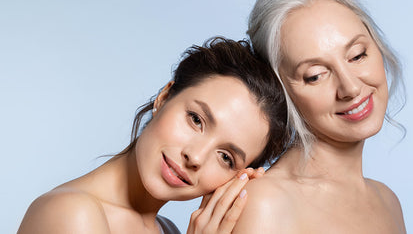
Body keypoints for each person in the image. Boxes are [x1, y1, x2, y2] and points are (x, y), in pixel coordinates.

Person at [18, 37, 289, 234]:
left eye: (225, 157)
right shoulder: (71, 213)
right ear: (164, 97)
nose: (194, 156)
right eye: (196, 120)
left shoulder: (167, 229)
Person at [233, 0, 406, 233]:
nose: (350, 87)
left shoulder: (387, 201)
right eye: (315, 76)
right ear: (281, 91)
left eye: (358, 55)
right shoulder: (264, 203)